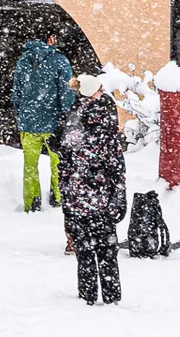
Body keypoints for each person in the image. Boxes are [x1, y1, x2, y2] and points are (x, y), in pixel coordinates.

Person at [52, 74, 128, 305]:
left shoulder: (69, 123)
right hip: (102, 198)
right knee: (106, 250)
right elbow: (116, 166)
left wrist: (66, 196)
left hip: (77, 198)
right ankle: (111, 295)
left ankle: (87, 293)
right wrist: (119, 195)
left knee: (84, 250)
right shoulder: (105, 125)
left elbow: (63, 165)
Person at [11, 33, 73, 212]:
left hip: (28, 121)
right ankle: (58, 197)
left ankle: (32, 202)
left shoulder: (23, 61)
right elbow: (66, 92)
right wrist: (67, 114)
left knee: (30, 164)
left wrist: (22, 113)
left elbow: (17, 92)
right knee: (58, 162)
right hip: (54, 122)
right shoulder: (60, 61)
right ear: (50, 39)